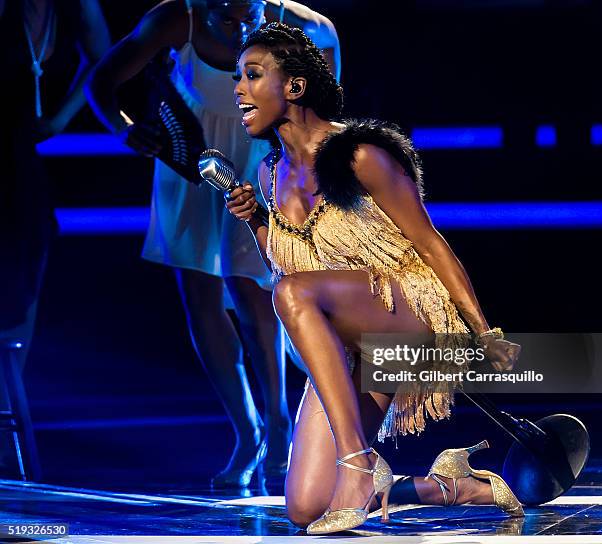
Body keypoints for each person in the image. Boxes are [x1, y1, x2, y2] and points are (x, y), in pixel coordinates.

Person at [226, 22, 524, 533]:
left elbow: (430, 243)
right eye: (237, 77)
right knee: (305, 507)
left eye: (252, 75)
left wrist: (482, 332)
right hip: (346, 341)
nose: (238, 89)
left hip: (407, 314)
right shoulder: (269, 174)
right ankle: (447, 484)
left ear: (294, 87)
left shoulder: (362, 155)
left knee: (292, 293)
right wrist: (257, 221)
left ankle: (359, 464)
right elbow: (288, 266)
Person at [85, 0, 340, 489]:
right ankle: (247, 431)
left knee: (251, 287)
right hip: (192, 165)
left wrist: (312, 156)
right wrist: (125, 129)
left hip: (260, 163)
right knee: (201, 295)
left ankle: (279, 421)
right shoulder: (175, 18)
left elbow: (327, 73)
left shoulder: (299, 25)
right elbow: (103, 79)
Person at [0, 0, 110, 477]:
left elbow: (103, 61)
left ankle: (7, 403)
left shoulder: (76, 8)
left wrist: (63, 117)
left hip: (22, 153)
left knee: (25, 269)